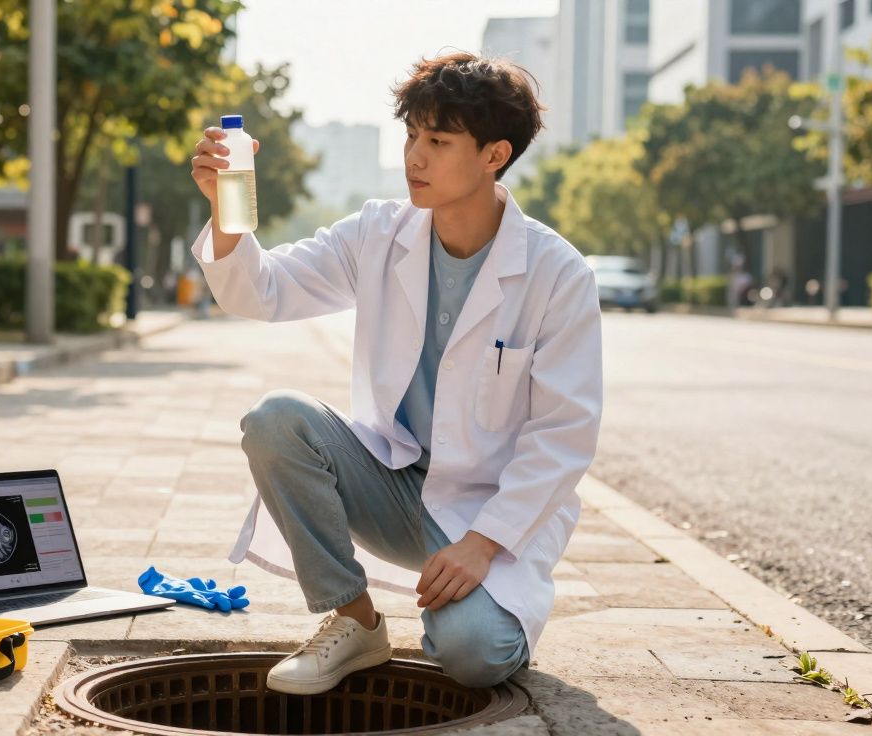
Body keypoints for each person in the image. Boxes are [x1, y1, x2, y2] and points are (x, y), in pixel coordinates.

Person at [187, 52, 603, 695]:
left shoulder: (556, 273)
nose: (415, 156)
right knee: (277, 420)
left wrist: (484, 545)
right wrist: (224, 207)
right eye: (412, 135)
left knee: (473, 655)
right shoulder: (379, 233)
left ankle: (479, 611)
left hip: (487, 511)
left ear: (495, 155)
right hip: (391, 481)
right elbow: (261, 293)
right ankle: (354, 620)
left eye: (438, 141)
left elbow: (565, 434)